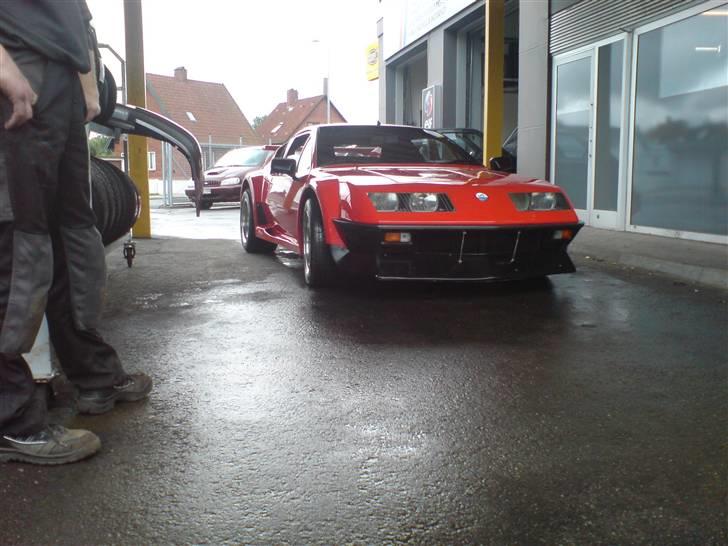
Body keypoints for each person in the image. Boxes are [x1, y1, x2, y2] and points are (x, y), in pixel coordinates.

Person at [0, 1, 151, 465]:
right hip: (17, 69)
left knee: (74, 239)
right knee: (17, 242)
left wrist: (85, 80)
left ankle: (94, 374)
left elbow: (76, 17)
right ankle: (11, 421)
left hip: (61, 80)